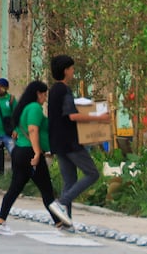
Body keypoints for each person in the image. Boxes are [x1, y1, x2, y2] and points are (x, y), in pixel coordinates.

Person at [0, 80, 68, 235]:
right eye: (44, 94)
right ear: (38, 94)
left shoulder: (23, 108)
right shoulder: (34, 108)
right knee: (47, 191)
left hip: (19, 152)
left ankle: (0, 221)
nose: (45, 98)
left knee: (15, 188)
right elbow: (33, 130)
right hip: (30, 154)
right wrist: (38, 152)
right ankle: (61, 223)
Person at [47, 53, 109, 226]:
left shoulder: (53, 91)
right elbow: (72, 116)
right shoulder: (64, 90)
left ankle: (65, 221)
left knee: (70, 181)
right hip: (69, 142)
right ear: (66, 70)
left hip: (57, 142)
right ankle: (61, 203)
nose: (73, 71)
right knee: (92, 173)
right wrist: (99, 118)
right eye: (72, 68)